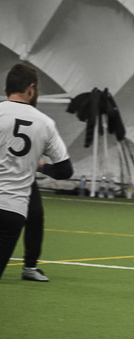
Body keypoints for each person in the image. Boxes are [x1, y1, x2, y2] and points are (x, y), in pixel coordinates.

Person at [0, 63, 73, 281]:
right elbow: (65, 170)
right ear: (31, 89)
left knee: (37, 214)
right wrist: (41, 166)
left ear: (6, 90)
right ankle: (30, 265)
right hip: (12, 207)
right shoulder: (45, 123)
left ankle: (30, 266)